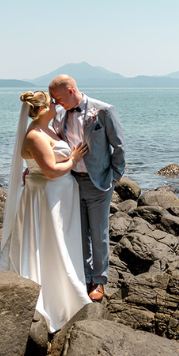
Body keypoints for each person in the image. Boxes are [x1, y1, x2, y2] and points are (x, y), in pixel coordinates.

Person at [0, 90, 91, 332]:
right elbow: (50, 170)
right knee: (51, 242)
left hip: (58, 195)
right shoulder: (36, 135)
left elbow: (41, 163)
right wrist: (73, 158)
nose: (56, 104)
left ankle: (68, 283)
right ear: (41, 110)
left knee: (61, 241)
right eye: (52, 103)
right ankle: (56, 296)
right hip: (47, 197)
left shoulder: (50, 128)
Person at [48, 74, 126, 302]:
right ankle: (83, 276)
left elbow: (119, 145)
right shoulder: (60, 115)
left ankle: (99, 281)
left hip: (99, 182)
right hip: (71, 181)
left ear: (71, 91)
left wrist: (115, 177)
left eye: (58, 97)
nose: (56, 102)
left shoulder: (103, 111)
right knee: (79, 233)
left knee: (99, 233)